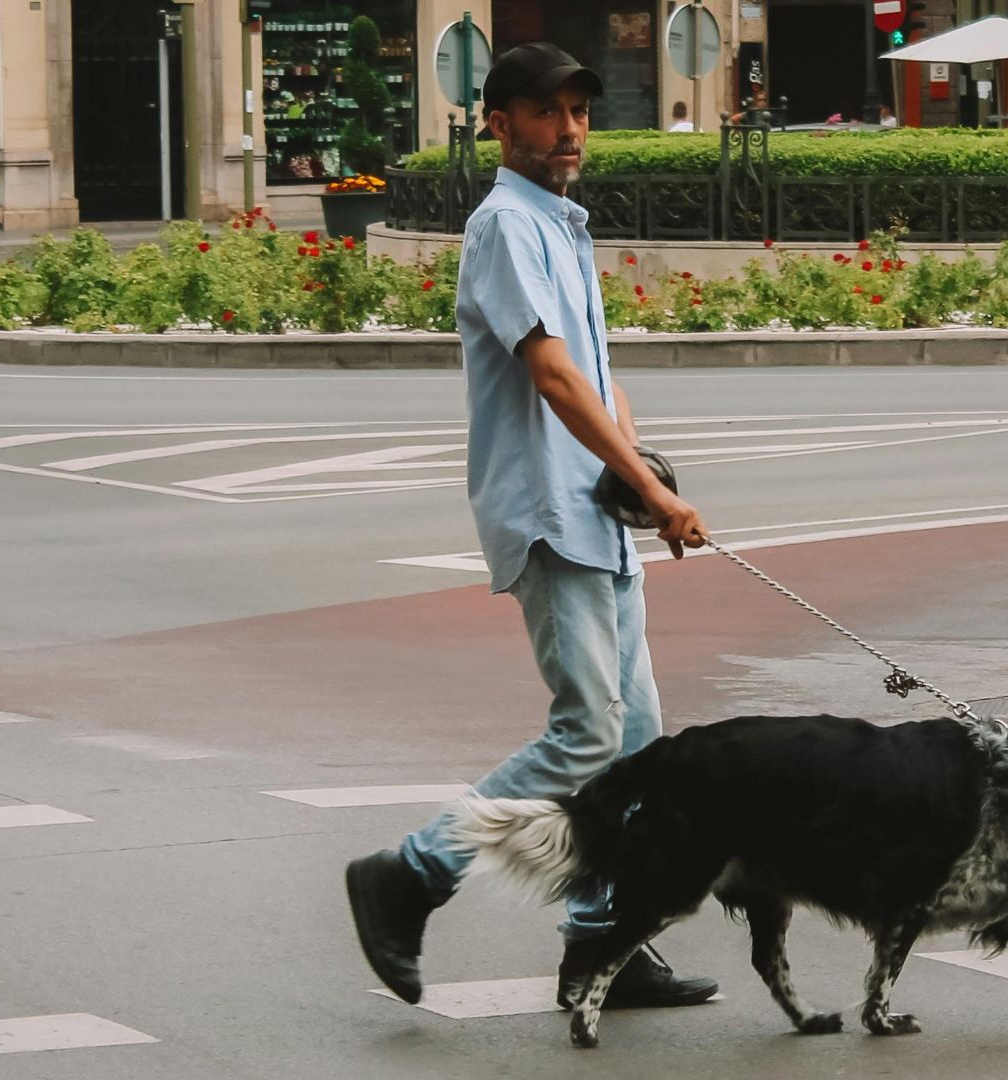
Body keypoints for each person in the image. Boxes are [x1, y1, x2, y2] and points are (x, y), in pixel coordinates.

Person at [345, 41, 718, 1015]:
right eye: (548, 113)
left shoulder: (560, 223)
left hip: (595, 512)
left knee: (634, 742)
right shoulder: (507, 225)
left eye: (579, 113)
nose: (569, 130)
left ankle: (602, 942)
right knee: (589, 728)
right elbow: (551, 376)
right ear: (499, 123)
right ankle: (410, 873)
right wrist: (649, 491)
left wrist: (637, 469)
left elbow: (596, 378)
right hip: (550, 515)